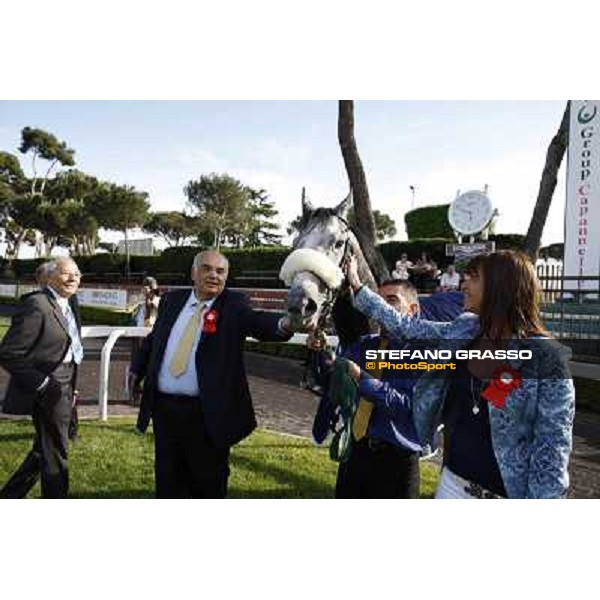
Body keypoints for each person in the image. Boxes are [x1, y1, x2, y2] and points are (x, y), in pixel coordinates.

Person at [346, 250, 575, 499]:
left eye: (474, 277)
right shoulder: (464, 328)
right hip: (452, 485)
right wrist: (358, 287)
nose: (463, 283)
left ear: (501, 286)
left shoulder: (546, 359)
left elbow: (552, 449)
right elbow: (406, 326)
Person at [128, 249, 296, 498]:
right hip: (165, 412)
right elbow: (156, 340)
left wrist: (286, 324)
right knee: (167, 482)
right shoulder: (172, 301)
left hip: (207, 415)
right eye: (207, 269)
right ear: (193, 273)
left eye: (220, 271)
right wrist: (136, 369)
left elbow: (259, 322)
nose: (214, 276)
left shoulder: (235, 305)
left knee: (207, 486)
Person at [332, 279, 424, 498]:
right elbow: (331, 381)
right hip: (355, 454)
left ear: (413, 310)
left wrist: (363, 380)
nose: (381, 306)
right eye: (378, 300)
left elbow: (408, 407)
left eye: (391, 300)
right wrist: (321, 355)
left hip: (398, 462)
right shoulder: (364, 344)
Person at [0, 257, 84, 498]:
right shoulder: (37, 304)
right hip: (49, 384)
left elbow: (70, 346)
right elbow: (9, 353)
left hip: (67, 380)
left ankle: (9, 496)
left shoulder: (70, 301)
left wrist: (72, 386)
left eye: (77, 275)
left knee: (46, 448)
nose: (73, 279)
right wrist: (44, 383)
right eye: (67, 274)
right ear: (49, 278)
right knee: (57, 451)